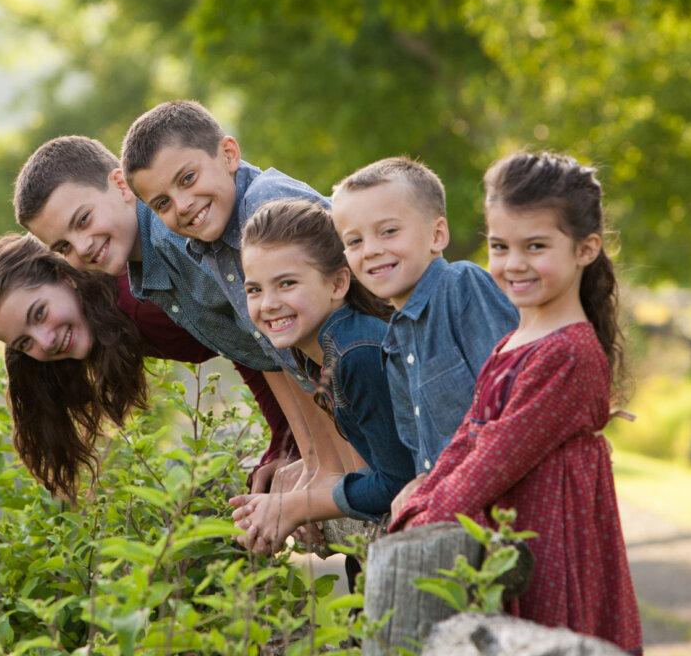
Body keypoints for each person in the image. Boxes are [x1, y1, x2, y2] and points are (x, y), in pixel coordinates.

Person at [388, 152, 642, 654]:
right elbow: (468, 437)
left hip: (550, 537)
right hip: (516, 524)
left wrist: (425, 519)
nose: (513, 264)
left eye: (536, 246)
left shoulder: (568, 352)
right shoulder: (515, 338)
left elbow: (494, 459)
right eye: (500, 246)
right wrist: (422, 497)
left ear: (586, 248)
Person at [12, 135, 296, 491]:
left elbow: (274, 343)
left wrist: (304, 454)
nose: (82, 247)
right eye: (64, 246)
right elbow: (249, 346)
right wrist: (291, 447)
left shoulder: (160, 260)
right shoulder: (140, 271)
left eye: (84, 220)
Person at [122, 100, 363, 487]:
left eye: (187, 179)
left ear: (229, 154)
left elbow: (354, 340)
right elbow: (287, 362)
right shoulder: (210, 247)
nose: (182, 205)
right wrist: (324, 474)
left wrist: (342, 483)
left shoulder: (266, 209)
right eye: (162, 203)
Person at [331, 156, 518, 513]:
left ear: (437, 235)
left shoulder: (461, 288)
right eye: (354, 241)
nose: (370, 249)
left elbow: (509, 406)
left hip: (507, 511)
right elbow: (422, 452)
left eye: (388, 231)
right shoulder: (394, 341)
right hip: (456, 524)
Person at [228, 200, 415, 556]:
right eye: (254, 289)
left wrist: (298, 506)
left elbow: (398, 482)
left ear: (337, 283)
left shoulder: (357, 353)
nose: (268, 303)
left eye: (286, 283)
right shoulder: (321, 348)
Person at [0, 233, 147, 502]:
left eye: (39, 313)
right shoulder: (113, 323)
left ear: (64, 276)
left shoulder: (137, 298)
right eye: (25, 342)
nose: (46, 341)